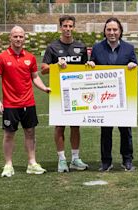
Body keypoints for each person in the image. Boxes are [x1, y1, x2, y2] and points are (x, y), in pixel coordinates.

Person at [0, 26, 50, 177]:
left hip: (28, 103)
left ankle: (32, 163)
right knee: (9, 134)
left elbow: (35, 77)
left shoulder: (30, 57)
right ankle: (8, 165)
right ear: (10, 38)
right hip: (10, 104)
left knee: (30, 133)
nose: (18, 39)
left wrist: (44, 88)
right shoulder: (1, 57)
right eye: (15, 36)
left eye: (21, 37)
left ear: (24, 38)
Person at [88, 17, 138, 172]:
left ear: (120, 31)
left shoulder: (129, 48)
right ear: (104, 31)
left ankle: (127, 159)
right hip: (104, 98)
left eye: (115, 29)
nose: (112, 32)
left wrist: (133, 65)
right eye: (109, 29)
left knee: (125, 131)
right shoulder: (97, 48)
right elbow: (91, 68)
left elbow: (137, 71)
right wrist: (90, 65)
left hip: (123, 98)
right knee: (106, 130)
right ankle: (106, 161)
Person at [41, 15, 89, 173]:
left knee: (76, 126)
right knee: (60, 126)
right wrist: (55, 65)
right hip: (59, 94)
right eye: (65, 26)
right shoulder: (52, 47)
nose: (68, 29)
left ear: (74, 27)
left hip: (77, 93)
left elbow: (85, 70)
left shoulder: (81, 47)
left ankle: (75, 158)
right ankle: (62, 160)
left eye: (70, 26)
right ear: (60, 27)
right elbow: (43, 69)